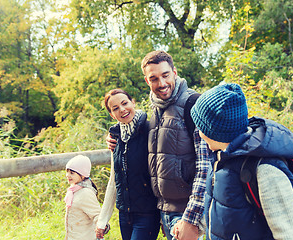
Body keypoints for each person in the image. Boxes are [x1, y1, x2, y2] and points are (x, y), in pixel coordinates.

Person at [106, 50, 211, 240]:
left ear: (175, 73)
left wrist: (190, 219)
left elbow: (205, 167)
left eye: (165, 75)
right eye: (154, 78)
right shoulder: (155, 112)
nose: (161, 84)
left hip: (190, 214)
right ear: (147, 81)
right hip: (167, 212)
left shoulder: (194, 105)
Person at [190, 83, 293, 240]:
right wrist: (199, 226)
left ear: (215, 131)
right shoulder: (223, 158)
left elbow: (292, 235)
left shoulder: (264, 169)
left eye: (201, 126)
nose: (198, 132)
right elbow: (223, 206)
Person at [96, 89, 160, 240]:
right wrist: (102, 220)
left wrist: (164, 215)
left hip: (147, 213)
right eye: (115, 108)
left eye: (124, 103)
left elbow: (160, 176)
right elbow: (114, 180)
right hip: (125, 215)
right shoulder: (115, 138)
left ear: (133, 102)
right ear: (112, 115)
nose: (122, 110)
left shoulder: (150, 130)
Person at [64, 155, 101, 240]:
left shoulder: (86, 193)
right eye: (67, 172)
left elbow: (97, 214)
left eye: (72, 173)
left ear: (83, 175)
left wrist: (101, 227)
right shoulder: (73, 190)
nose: (67, 175)